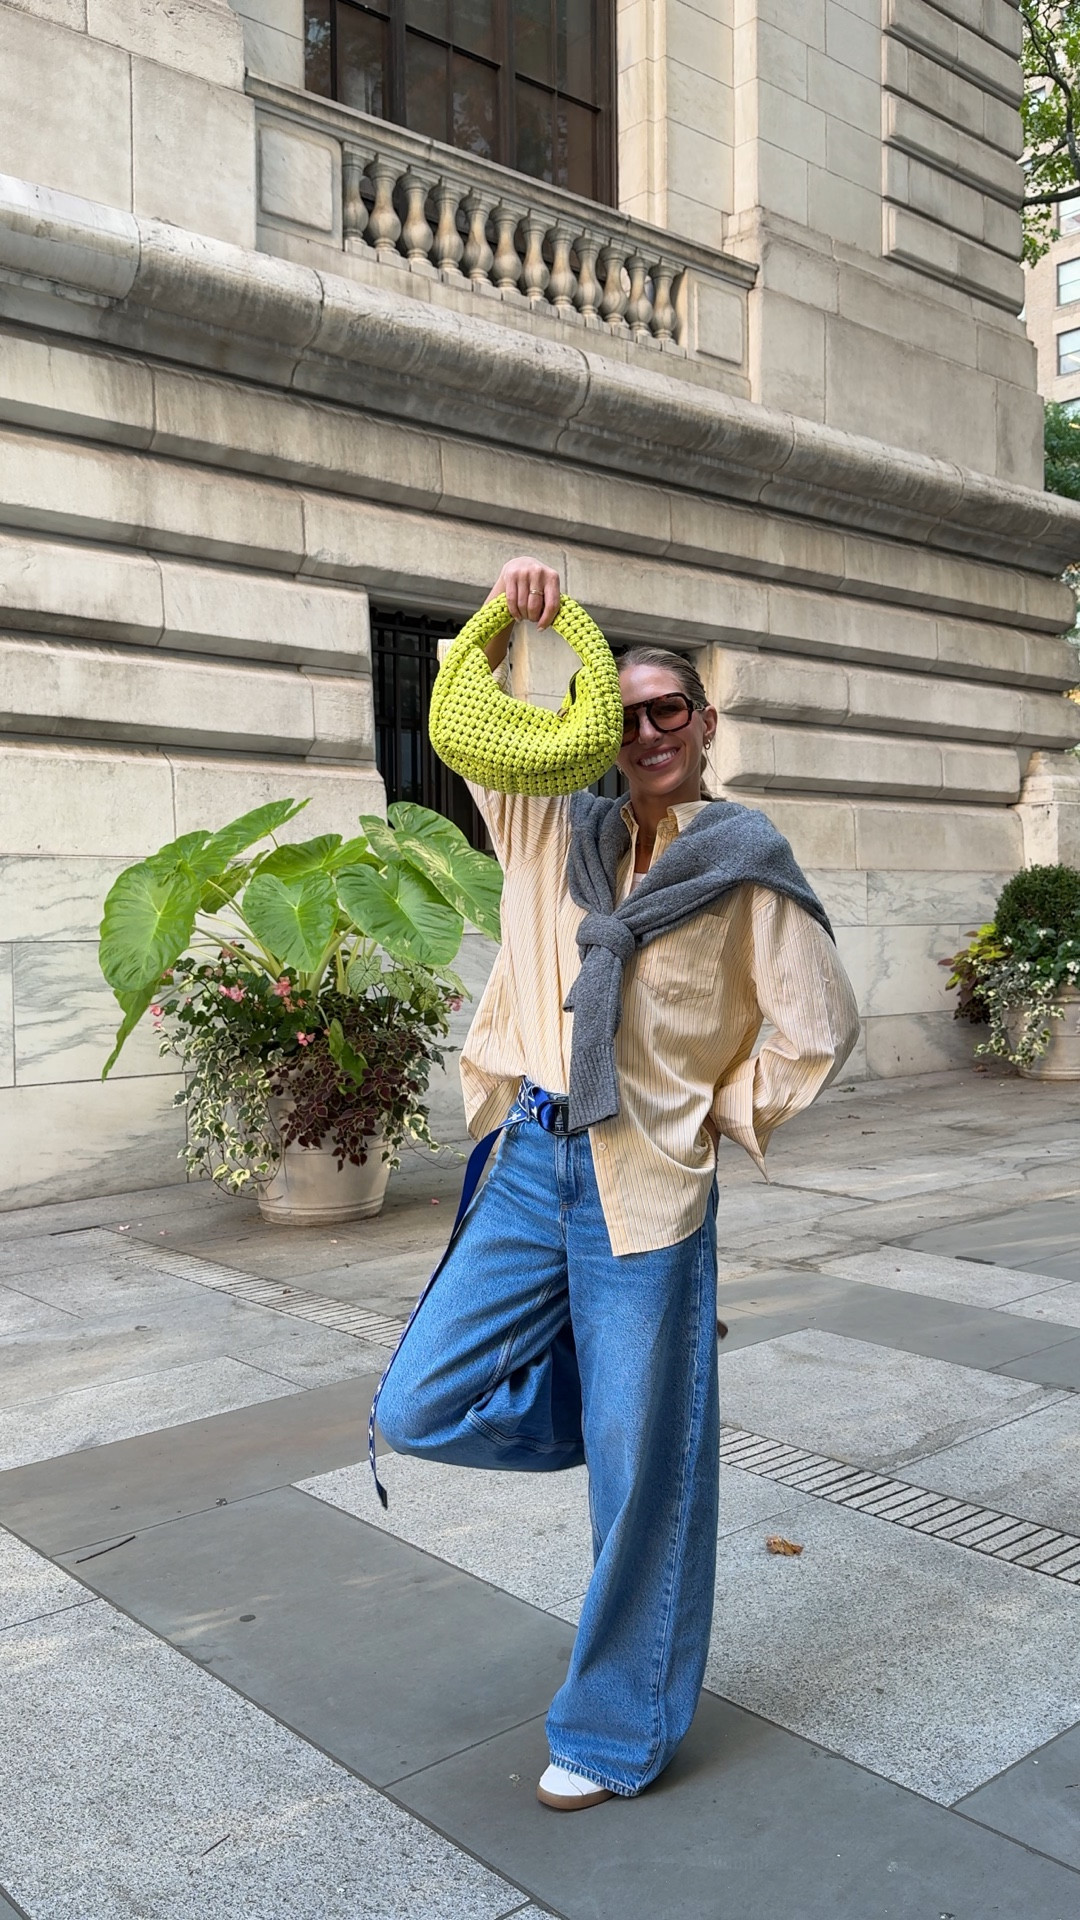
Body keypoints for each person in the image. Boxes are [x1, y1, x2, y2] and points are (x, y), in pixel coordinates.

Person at [375, 555, 859, 1811]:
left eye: (669, 710)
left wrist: (709, 1117)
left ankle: (609, 1730)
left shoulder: (746, 859)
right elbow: (470, 721)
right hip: (531, 1163)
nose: (647, 730)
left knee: (646, 1483)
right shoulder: (555, 823)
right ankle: (631, 1432)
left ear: (705, 726)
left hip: (646, 1184)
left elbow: (816, 1026)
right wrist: (509, 616)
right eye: (626, 710)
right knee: (422, 1402)